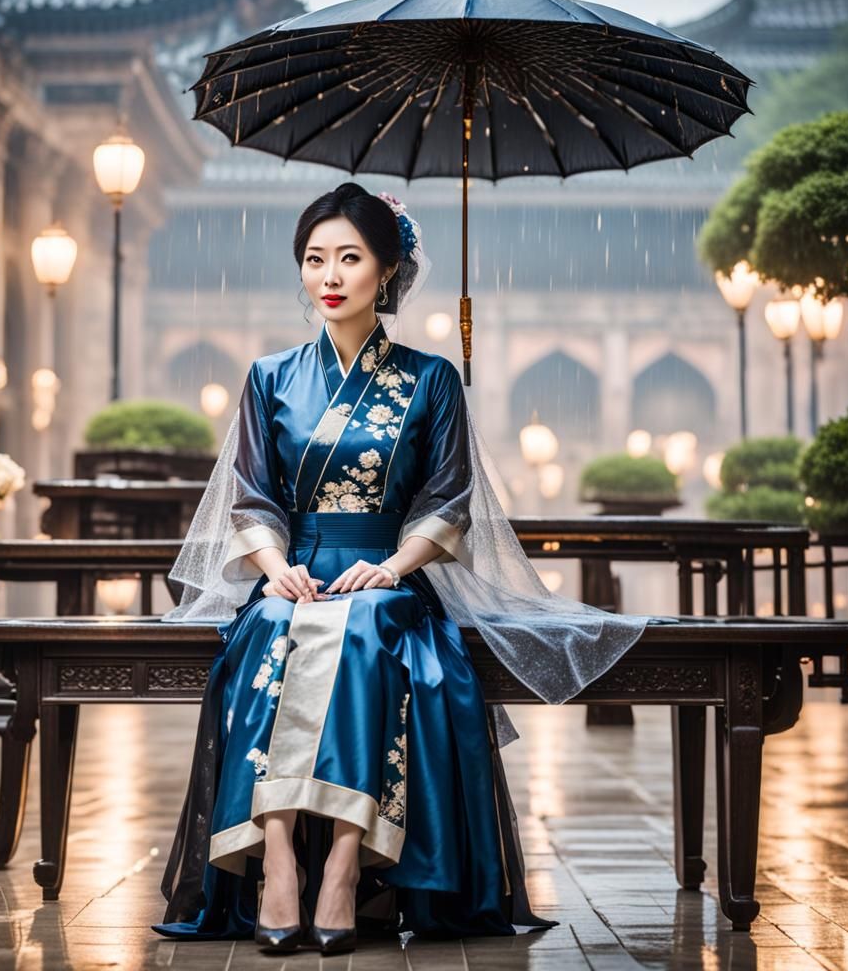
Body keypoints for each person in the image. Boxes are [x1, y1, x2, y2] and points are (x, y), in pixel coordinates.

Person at [152, 182, 673, 955]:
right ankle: (282, 855)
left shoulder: (431, 379)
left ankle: (340, 864)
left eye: (349, 258)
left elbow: (448, 496)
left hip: (389, 577)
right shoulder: (268, 377)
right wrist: (274, 568)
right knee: (267, 626)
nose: (328, 275)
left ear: (387, 272)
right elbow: (254, 494)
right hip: (294, 575)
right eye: (313, 259)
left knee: (368, 630)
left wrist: (392, 567)